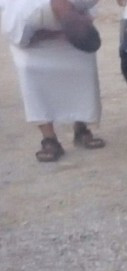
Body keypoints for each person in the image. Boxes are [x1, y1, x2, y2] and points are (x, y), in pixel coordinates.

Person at [2, 0, 105, 162]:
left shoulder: (81, 2)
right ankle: (49, 139)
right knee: (31, 75)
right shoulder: (28, 12)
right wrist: (56, 34)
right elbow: (19, 38)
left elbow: (90, 16)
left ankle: (81, 127)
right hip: (33, 45)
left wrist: (75, 31)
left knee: (84, 63)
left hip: (70, 40)